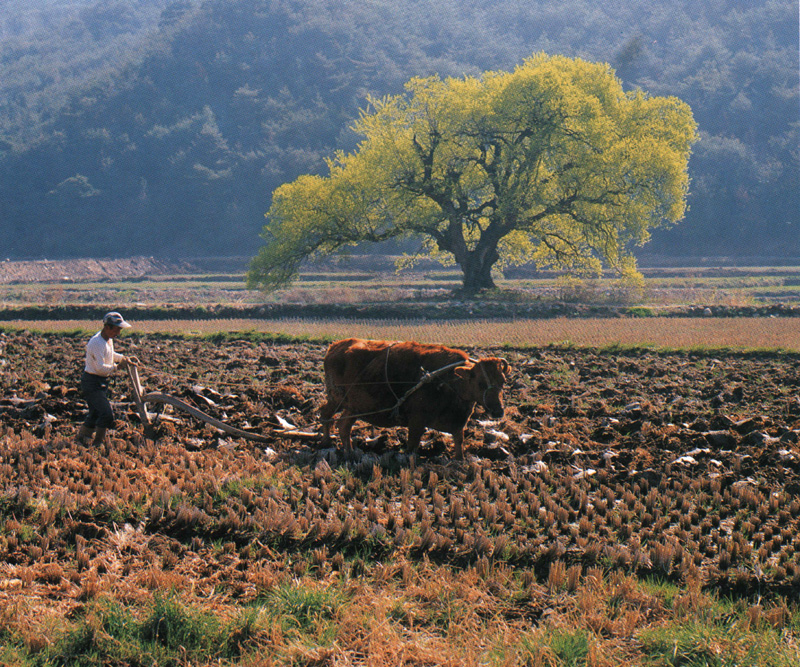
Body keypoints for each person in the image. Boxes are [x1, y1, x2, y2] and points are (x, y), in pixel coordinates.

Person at [76, 311, 138, 446]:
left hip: (100, 381)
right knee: (106, 414)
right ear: (108, 327)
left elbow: (110, 354)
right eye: (117, 330)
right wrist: (117, 367)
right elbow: (100, 368)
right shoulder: (97, 343)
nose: (118, 333)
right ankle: (98, 443)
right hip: (92, 382)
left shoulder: (108, 340)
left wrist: (124, 359)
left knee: (94, 413)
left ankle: (81, 438)